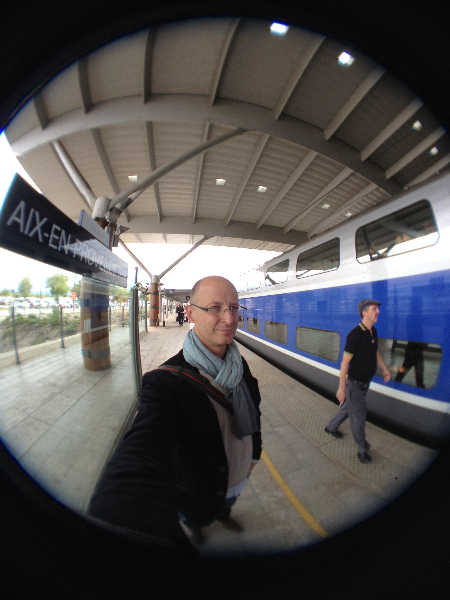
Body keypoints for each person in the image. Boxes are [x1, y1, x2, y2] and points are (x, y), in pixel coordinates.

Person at [88, 276, 261, 551]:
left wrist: (255, 455)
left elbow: (255, 410)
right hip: (198, 491)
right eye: (214, 308)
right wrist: (122, 519)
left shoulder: (239, 364)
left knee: (226, 505)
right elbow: (144, 445)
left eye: (234, 307)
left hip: (239, 476)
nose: (229, 319)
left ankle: (224, 515)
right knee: (196, 516)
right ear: (190, 313)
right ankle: (195, 528)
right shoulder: (164, 383)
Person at [324, 299, 390, 464]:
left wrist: (384, 368)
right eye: (374, 309)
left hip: (364, 384)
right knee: (358, 419)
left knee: (348, 408)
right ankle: (362, 450)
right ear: (365, 313)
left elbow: (375, 352)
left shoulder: (372, 331)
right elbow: (344, 363)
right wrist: (341, 388)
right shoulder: (355, 335)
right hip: (355, 385)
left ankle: (330, 427)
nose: (378, 312)